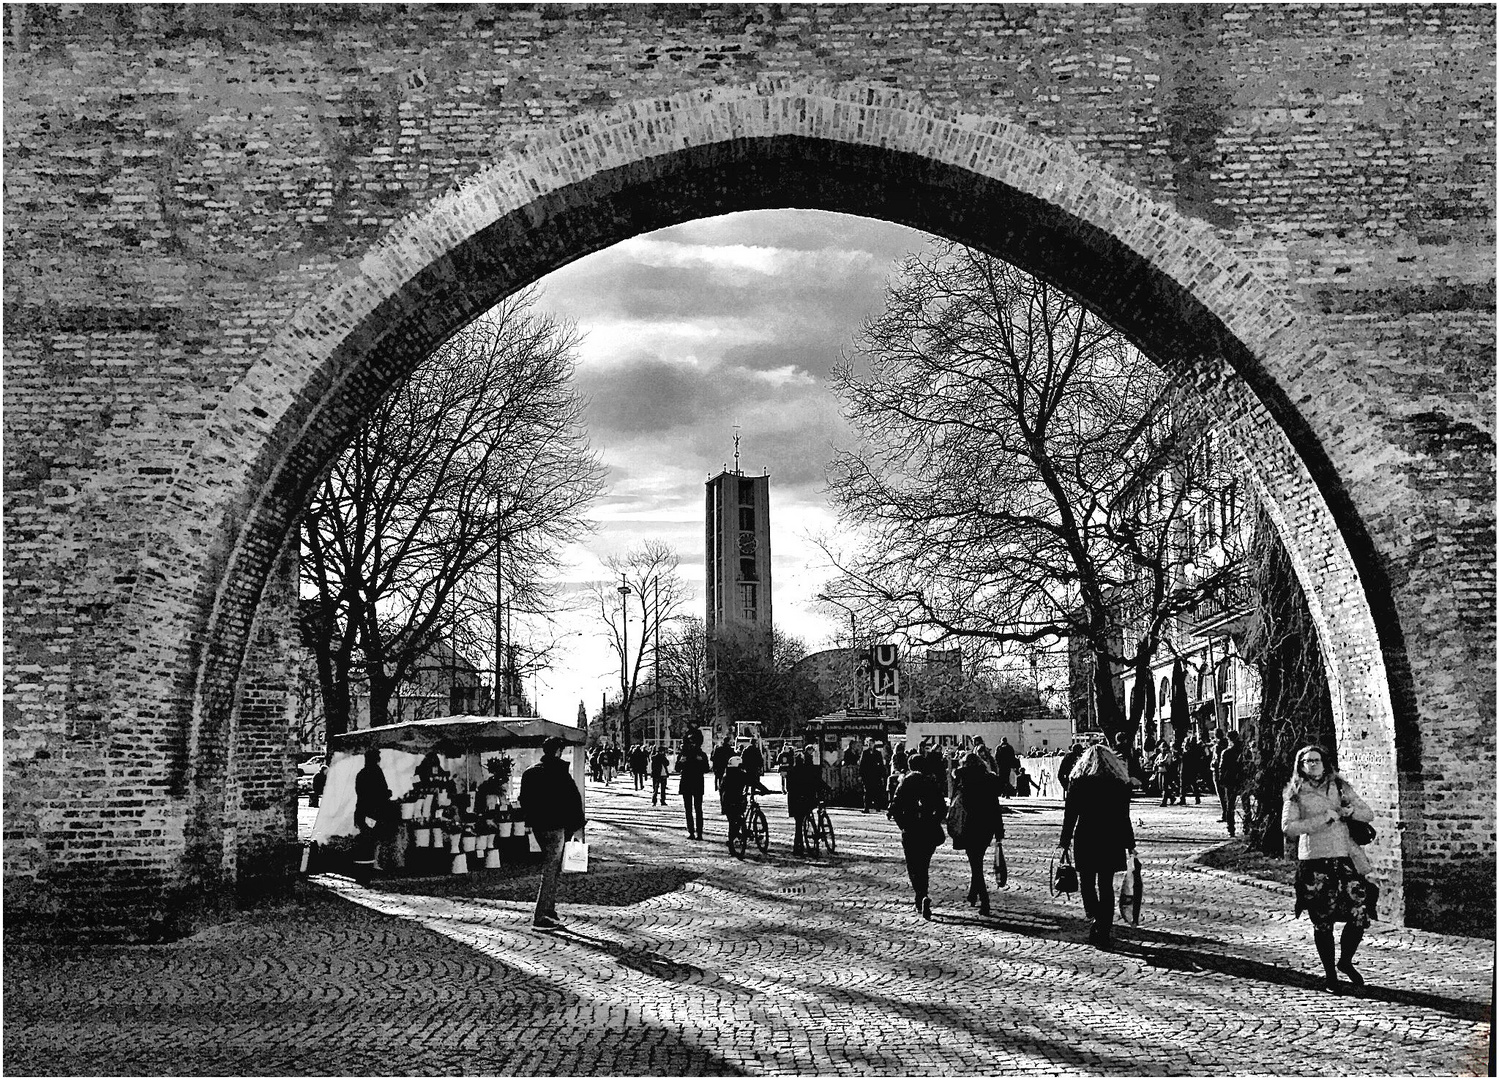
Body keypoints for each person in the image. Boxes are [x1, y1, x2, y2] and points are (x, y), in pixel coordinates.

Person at [1281, 744, 1374, 993]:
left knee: (1359, 913)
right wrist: (1323, 819)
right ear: (1300, 766)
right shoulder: (1296, 792)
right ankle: (1330, 974)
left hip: (1343, 859)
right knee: (1323, 921)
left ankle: (1345, 961)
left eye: (1316, 760)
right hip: (1315, 862)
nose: (1312, 765)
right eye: (1306, 762)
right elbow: (1288, 827)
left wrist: (1350, 811)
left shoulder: (1340, 786)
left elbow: (1368, 813)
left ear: (1325, 762)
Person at [1059, 744, 1136, 949]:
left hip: (1087, 835)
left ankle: (1094, 916)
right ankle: (1104, 925)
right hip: (1111, 837)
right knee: (1106, 884)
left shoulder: (1078, 782)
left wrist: (1065, 839)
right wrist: (1130, 843)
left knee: (1086, 881)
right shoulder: (1119, 784)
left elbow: (1070, 814)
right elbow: (1123, 817)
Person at [518, 736, 586, 932]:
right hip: (556, 825)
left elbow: (525, 800)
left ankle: (549, 908)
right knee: (551, 869)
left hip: (540, 826)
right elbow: (573, 799)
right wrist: (578, 825)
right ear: (558, 751)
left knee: (552, 866)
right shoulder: (560, 772)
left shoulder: (531, 772)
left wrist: (531, 819)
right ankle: (541, 915)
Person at [888, 751, 947, 920]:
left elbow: (895, 807)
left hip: (911, 830)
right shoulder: (930, 782)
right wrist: (933, 820)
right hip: (928, 830)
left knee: (913, 866)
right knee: (924, 865)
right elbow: (942, 807)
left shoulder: (904, 783)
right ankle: (923, 894)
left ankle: (920, 895)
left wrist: (903, 825)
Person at [951, 752, 1005, 916]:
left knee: (976, 865)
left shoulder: (962, 779)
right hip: (987, 826)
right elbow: (995, 807)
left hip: (970, 825)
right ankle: (973, 894)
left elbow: (957, 801)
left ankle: (984, 900)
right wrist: (999, 830)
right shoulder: (989, 779)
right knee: (977, 860)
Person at [353, 747, 393, 876]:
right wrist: (388, 794)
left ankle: (366, 864)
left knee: (366, 838)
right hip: (374, 810)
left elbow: (360, 792)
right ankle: (374, 863)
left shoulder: (361, 773)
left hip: (361, 809)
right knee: (376, 838)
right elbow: (382, 791)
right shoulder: (376, 772)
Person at [719, 754, 771, 851]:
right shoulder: (741, 774)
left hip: (726, 801)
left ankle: (732, 841)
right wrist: (765, 790)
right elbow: (754, 782)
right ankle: (738, 835)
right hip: (738, 800)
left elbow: (721, 789)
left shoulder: (726, 775)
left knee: (732, 821)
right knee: (739, 817)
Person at [786, 746, 831, 855]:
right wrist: (827, 789)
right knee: (808, 812)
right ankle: (815, 832)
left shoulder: (792, 771)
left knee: (798, 825)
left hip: (795, 801)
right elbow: (817, 781)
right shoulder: (808, 770)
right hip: (808, 799)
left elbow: (789, 788)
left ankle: (798, 847)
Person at [676, 731, 711, 840]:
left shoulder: (701, 754)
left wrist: (700, 762)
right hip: (687, 783)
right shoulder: (683, 754)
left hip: (697, 783)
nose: (692, 745)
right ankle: (691, 831)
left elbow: (706, 769)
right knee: (688, 809)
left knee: (698, 809)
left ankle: (699, 832)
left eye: (694, 743)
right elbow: (677, 769)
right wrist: (681, 762)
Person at [1213, 730, 1244, 836]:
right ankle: (1247, 825)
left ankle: (1231, 828)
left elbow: (1221, 768)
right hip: (1241, 780)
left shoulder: (1226, 752)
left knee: (1230, 805)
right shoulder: (1242, 751)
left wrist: (1221, 780)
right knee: (1246, 804)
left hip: (1230, 781)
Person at [858, 740, 886, 813]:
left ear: (874, 744)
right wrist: (861, 775)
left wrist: (882, 775)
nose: (870, 745)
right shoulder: (865, 753)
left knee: (877, 792)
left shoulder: (878, 753)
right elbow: (862, 764)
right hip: (867, 775)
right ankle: (866, 808)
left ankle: (878, 807)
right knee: (867, 792)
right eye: (869, 744)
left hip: (876, 775)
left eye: (871, 744)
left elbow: (881, 765)